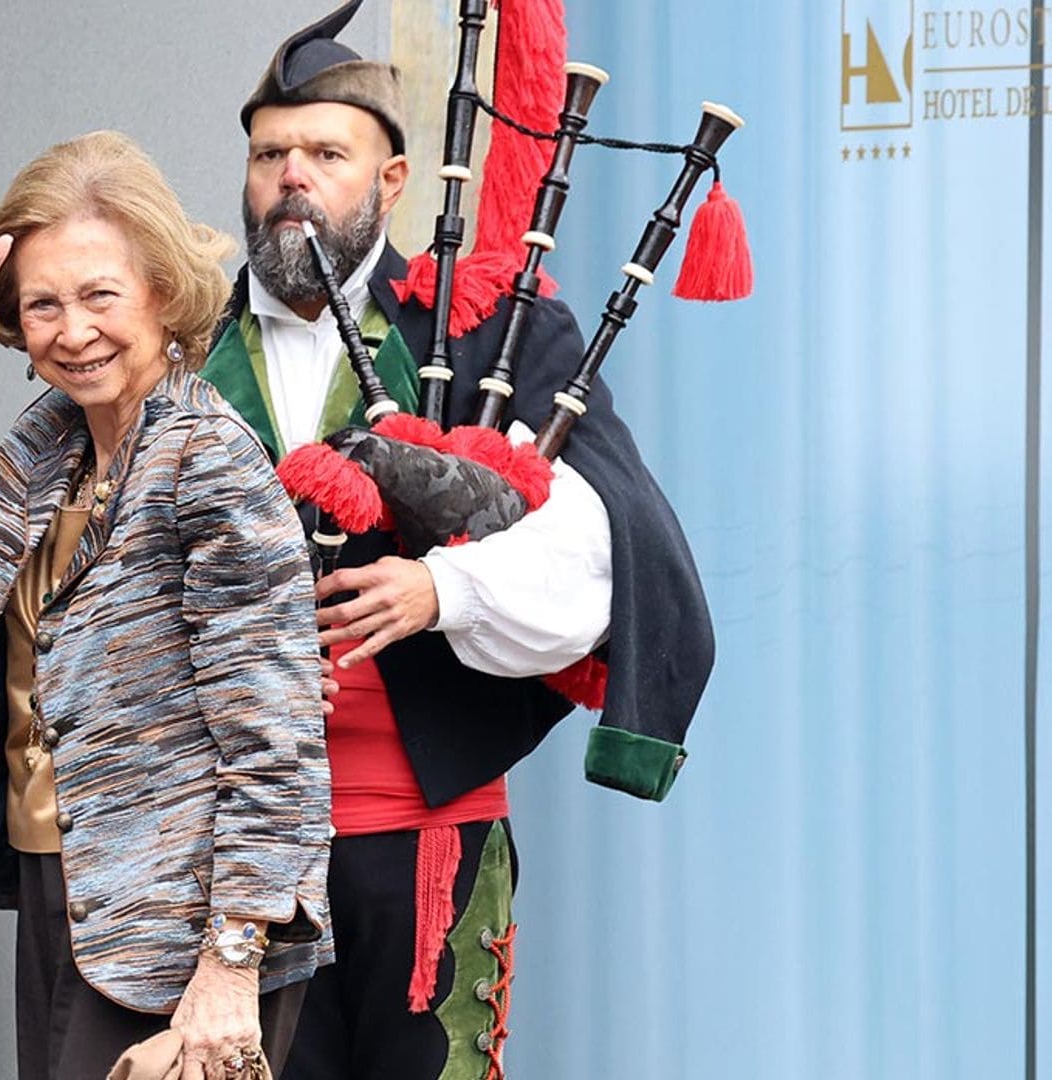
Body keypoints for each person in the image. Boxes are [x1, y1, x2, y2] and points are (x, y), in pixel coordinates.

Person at [197, 4, 717, 1078]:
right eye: (269, 154)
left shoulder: (484, 324)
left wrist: (445, 588)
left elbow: (600, 537)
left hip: (422, 832)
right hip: (224, 845)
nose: (291, 175)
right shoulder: (182, 340)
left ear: (390, 182)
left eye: (326, 152)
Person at [0, 130, 331, 1080]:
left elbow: (278, 742)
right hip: (70, 889)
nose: (71, 329)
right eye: (42, 304)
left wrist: (230, 966)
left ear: (163, 294)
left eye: (100, 295)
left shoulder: (209, 461)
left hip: (189, 919)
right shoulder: (50, 443)